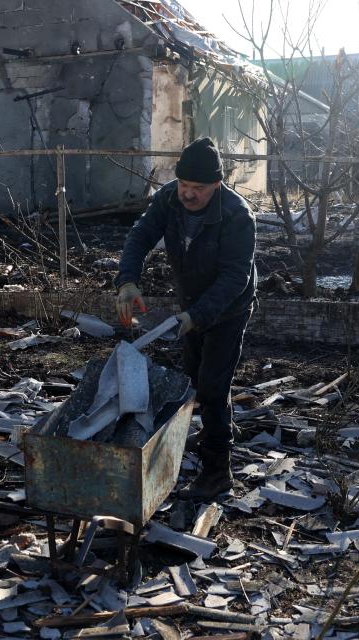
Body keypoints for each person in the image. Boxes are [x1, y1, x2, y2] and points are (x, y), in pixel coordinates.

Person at [114, 137, 257, 501]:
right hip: (190, 303)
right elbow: (141, 234)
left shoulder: (238, 216)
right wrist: (128, 280)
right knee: (193, 379)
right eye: (183, 185)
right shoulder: (168, 199)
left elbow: (234, 279)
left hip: (227, 309)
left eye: (198, 188)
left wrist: (197, 315)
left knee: (213, 385)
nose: (188, 195)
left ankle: (217, 472)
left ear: (218, 186)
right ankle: (213, 428)